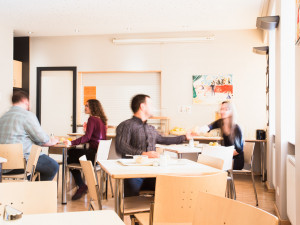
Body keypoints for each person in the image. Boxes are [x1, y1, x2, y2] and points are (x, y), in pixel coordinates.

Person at [116, 94, 191, 197]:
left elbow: (163, 139)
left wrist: (184, 137)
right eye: (150, 104)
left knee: (171, 187)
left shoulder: (150, 128)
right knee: (131, 199)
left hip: (152, 173)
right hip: (133, 174)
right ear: (142, 106)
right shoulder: (126, 125)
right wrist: (144, 154)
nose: (153, 108)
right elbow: (121, 146)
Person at [0, 90, 59, 181]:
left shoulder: (3, 117)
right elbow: (43, 140)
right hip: (21, 162)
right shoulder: (27, 115)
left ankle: (27, 186)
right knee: (53, 166)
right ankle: (34, 192)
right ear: (25, 101)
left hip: (3, 164)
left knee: (35, 169)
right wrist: (52, 141)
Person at [64, 99, 107, 200]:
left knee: (69, 155)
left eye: (87, 106)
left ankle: (81, 185)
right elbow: (93, 137)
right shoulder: (101, 120)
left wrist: (71, 142)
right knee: (74, 153)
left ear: (93, 107)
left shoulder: (92, 119)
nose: (85, 108)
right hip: (98, 156)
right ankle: (80, 184)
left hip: (92, 155)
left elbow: (87, 138)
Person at [193, 101, 244, 170]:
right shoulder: (221, 122)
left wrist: (222, 155)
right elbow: (209, 127)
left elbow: (239, 150)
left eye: (226, 109)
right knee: (203, 156)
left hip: (236, 161)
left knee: (208, 160)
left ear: (231, 112)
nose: (222, 111)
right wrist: (198, 130)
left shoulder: (236, 128)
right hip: (226, 157)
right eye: (221, 109)